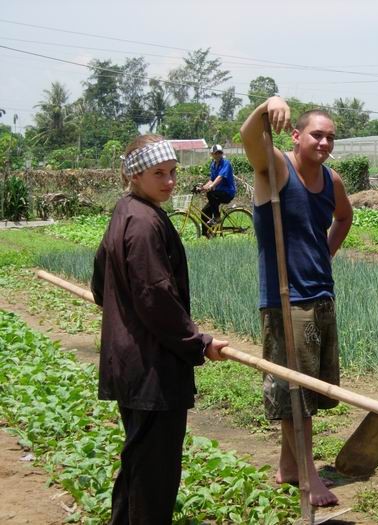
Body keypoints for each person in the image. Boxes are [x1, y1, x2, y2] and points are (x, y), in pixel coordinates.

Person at [91, 134, 228, 524]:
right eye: (158, 173)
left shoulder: (125, 211)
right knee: (155, 474)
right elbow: (156, 296)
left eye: (172, 172)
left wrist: (124, 312)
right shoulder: (146, 222)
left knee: (138, 461)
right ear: (135, 175)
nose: (169, 181)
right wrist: (198, 343)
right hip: (152, 370)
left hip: (130, 363)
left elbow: (100, 285)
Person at [240, 96, 353, 507]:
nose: (324, 143)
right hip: (286, 301)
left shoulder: (332, 180)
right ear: (296, 135)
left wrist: (326, 252)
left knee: (308, 392)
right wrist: (265, 106)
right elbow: (249, 137)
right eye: (316, 135)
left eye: (330, 137)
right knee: (295, 394)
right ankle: (308, 476)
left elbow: (344, 217)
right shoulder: (275, 169)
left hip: (320, 294)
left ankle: (288, 467)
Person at [201, 144, 237, 232]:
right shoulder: (213, 165)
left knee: (210, 193)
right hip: (218, 193)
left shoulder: (226, 163)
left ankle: (217, 218)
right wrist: (202, 187)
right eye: (216, 153)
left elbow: (220, 177)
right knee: (204, 211)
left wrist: (211, 186)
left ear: (222, 154)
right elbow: (212, 179)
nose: (218, 155)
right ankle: (207, 235)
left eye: (219, 153)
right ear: (212, 154)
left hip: (227, 193)